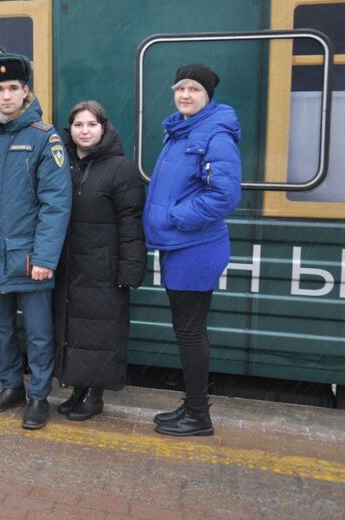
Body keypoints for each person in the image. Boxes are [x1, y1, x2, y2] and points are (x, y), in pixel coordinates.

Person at [0, 52, 71, 430]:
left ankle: (39, 396)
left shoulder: (45, 137)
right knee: (2, 330)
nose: (6, 95)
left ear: (26, 91)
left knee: (39, 334)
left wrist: (45, 258)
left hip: (29, 258)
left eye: (13, 88)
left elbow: (56, 204)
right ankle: (11, 387)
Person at [144, 63, 241, 437]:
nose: (185, 95)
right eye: (180, 88)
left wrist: (175, 216)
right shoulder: (182, 131)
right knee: (189, 330)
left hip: (195, 246)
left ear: (207, 96)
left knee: (189, 332)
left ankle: (199, 415)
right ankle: (193, 405)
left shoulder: (215, 135)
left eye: (194, 89)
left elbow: (224, 196)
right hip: (181, 245)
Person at [52, 100, 146, 421]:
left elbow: (131, 223)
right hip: (69, 266)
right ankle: (78, 388)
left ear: (103, 128)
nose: (85, 131)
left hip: (102, 267)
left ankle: (96, 394)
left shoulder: (121, 169)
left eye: (92, 125)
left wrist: (129, 269)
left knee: (100, 333)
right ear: (70, 130)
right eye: (78, 125)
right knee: (74, 330)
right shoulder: (61, 164)